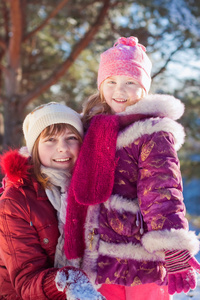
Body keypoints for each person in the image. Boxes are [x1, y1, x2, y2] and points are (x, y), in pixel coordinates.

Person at [63, 37, 200, 300]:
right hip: (100, 257)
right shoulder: (92, 128)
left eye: (130, 83)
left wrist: (172, 247)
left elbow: (162, 190)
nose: (119, 91)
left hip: (141, 258)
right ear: (101, 85)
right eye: (111, 82)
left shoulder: (152, 131)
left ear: (144, 88)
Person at [0, 102, 106, 300]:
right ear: (34, 149)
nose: (62, 148)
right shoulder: (15, 202)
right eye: (50, 140)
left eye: (71, 138)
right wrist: (69, 281)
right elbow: (26, 281)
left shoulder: (94, 188)